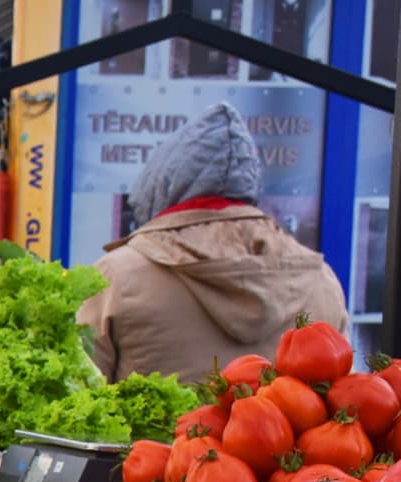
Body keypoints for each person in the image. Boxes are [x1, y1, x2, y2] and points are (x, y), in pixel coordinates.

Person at [78, 102, 350, 385]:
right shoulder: (321, 279)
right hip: (283, 431)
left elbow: (73, 399)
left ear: (160, 185)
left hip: (157, 431)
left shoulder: (116, 276)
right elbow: (345, 402)